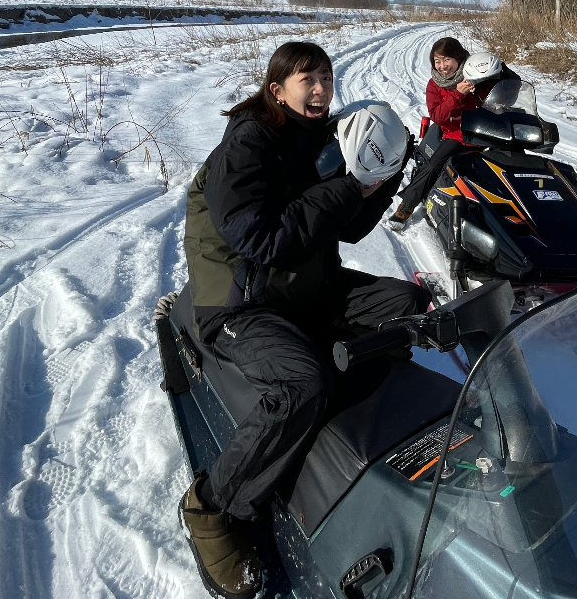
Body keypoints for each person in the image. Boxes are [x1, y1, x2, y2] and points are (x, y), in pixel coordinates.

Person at [180, 40, 427, 599]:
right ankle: (214, 508)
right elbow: (261, 238)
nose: (320, 91)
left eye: (326, 79)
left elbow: (349, 228)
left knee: (405, 307)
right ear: (277, 89)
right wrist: (347, 185)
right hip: (243, 300)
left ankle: (360, 419)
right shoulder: (244, 147)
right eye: (306, 80)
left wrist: (385, 174)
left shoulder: (323, 137)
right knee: (302, 382)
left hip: (304, 290)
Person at [388, 40, 521, 229]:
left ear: (459, 58)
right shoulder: (434, 85)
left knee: (516, 164)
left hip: (491, 132)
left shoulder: (477, 74)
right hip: (459, 135)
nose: (442, 66)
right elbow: (438, 117)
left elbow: (510, 93)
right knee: (433, 165)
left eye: (447, 59)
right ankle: (406, 207)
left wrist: (500, 67)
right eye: (437, 61)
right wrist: (458, 94)